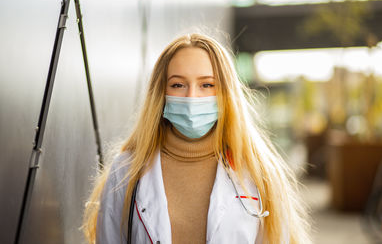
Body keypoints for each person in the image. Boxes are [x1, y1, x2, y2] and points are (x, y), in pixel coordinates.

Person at [82, 33, 311, 244]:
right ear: (160, 93)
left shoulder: (258, 171)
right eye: (178, 85)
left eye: (207, 85)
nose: (192, 96)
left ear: (226, 94)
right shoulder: (125, 171)